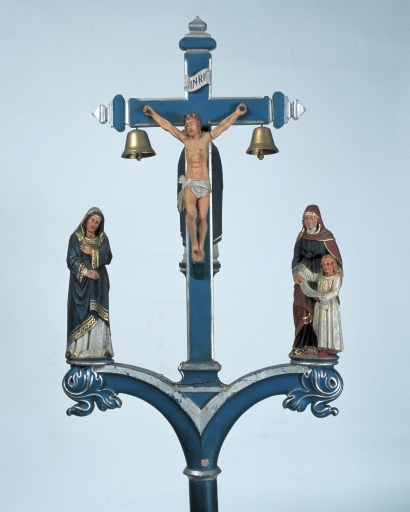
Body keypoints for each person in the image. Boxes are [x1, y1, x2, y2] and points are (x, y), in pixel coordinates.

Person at [143, 103, 247, 262]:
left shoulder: (206, 138)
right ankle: (195, 246)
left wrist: (237, 113)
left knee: (203, 217)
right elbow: (168, 127)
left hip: (204, 185)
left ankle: (201, 245)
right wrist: (153, 115)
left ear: (198, 125)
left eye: (191, 124)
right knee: (191, 215)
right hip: (190, 184)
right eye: (186, 125)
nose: (189, 127)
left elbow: (223, 127)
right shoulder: (185, 140)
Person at [291, 205, 342, 356]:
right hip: (303, 278)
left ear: (318, 219)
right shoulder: (301, 237)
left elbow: (336, 261)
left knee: (320, 312)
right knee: (302, 308)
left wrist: (332, 274)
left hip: (321, 280)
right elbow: (295, 259)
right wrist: (295, 273)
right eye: (306, 218)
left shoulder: (327, 236)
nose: (308, 221)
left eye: (311, 218)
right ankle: (302, 345)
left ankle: (321, 346)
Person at [66, 207, 114, 359]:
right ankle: (77, 348)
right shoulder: (76, 238)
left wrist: (92, 252)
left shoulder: (102, 239)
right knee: (82, 313)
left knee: (98, 313)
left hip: (99, 283)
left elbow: (108, 256)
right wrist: (86, 272)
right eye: (92, 220)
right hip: (81, 284)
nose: (93, 224)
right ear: (86, 220)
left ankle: (100, 348)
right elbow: (72, 259)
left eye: (97, 222)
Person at [294, 254, 343, 358]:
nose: (326, 266)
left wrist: (324, 296)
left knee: (329, 326)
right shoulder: (320, 275)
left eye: (328, 264)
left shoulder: (336, 277)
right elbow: (311, 276)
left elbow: (335, 292)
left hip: (330, 306)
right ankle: (321, 346)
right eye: (324, 264)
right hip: (320, 306)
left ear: (333, 265)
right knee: (319, 325)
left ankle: (327, 348)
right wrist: (302, 272)